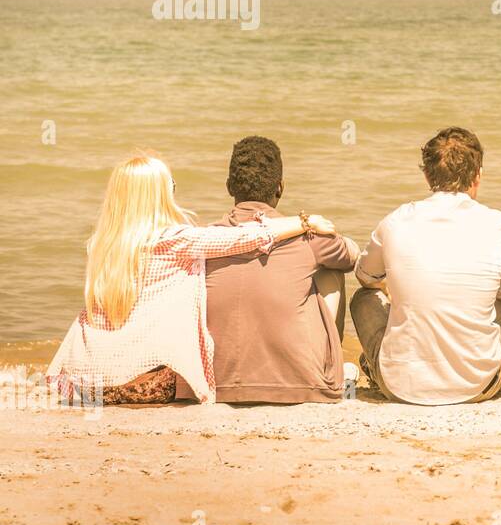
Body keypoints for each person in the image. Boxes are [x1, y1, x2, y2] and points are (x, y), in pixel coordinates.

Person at [47, 151, 337, 405]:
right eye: (170, 186)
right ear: (159, 196)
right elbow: (246, 238)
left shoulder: (101, 244)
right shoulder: (175, 240)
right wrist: (304, 222)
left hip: (81, 381)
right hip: (143, 383)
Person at [350, 128, 501, 406]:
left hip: (401, 387)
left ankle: (377, 364)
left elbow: (365, 276)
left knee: (364, 299)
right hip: (479, 387)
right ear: (478, 175)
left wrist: (395, 291)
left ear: (427, 176)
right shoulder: (498, 224)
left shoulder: (396, 220)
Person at [198, 136, 360, 404]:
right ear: (280, 187)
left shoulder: (207, 239)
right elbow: (351, 258)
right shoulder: (309, 237)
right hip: (303, 388)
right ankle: (330, 366)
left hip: (215, 385)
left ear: (229, 187)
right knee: (331, 270)